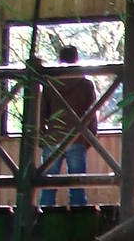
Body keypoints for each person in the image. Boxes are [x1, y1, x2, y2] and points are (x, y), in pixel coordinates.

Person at [39, 45, 96, 207]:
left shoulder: (50, 83)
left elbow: (42, 111)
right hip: (76, 138)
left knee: (47, 188)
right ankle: (79, 226)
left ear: (60, 59)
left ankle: (44, 225)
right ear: (76, 59)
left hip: (53, 137)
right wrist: (89, 138)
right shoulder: (85, 84)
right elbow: (91, 112)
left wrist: (41, 136)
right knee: (77, 187)